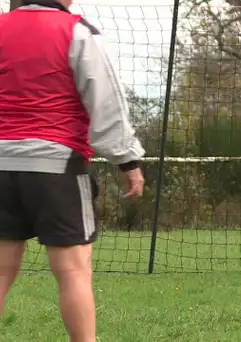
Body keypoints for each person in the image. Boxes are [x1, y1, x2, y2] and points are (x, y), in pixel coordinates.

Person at [0, 0, 146, 340]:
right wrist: (128, 161)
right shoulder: (78, 32)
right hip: (56, 167)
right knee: (73, 272)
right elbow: (107, 103)